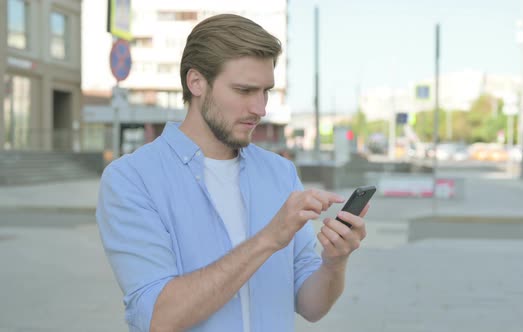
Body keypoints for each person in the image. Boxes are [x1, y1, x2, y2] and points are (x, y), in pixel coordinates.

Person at [96, 13, 369, 332]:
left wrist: (335, 263)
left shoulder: (279, 172)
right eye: (244, 90)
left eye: (265, 91)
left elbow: (311, 306)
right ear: (196, 82)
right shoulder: (131, 179)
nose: (260, 108)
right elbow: (159, 317)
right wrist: (269, 238)